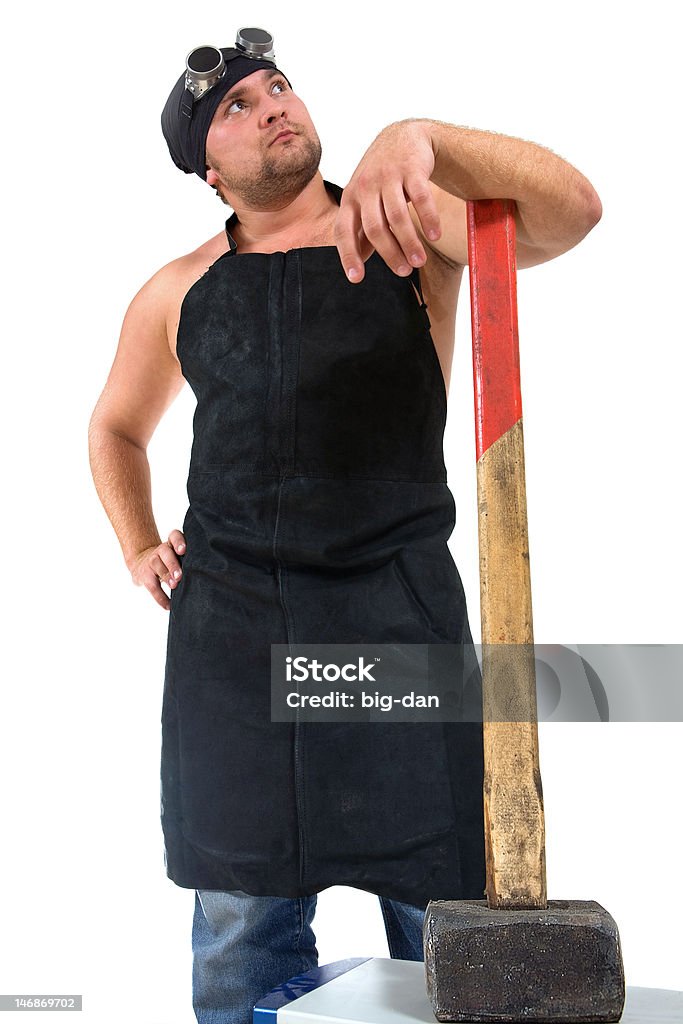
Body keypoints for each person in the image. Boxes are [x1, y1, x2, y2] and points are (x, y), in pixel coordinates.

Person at [87, 29, 602, 1024]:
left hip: (395, 619)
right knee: (242, 928)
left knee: (447, 920)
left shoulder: (411, 229)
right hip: (233, 641)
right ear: (205, 168)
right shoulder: (176, 290)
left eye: (277, 85)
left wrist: (422, 137)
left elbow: (571, 209)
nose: (272, 104)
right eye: (235, 106)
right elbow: (114, 426)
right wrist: (137, 541)